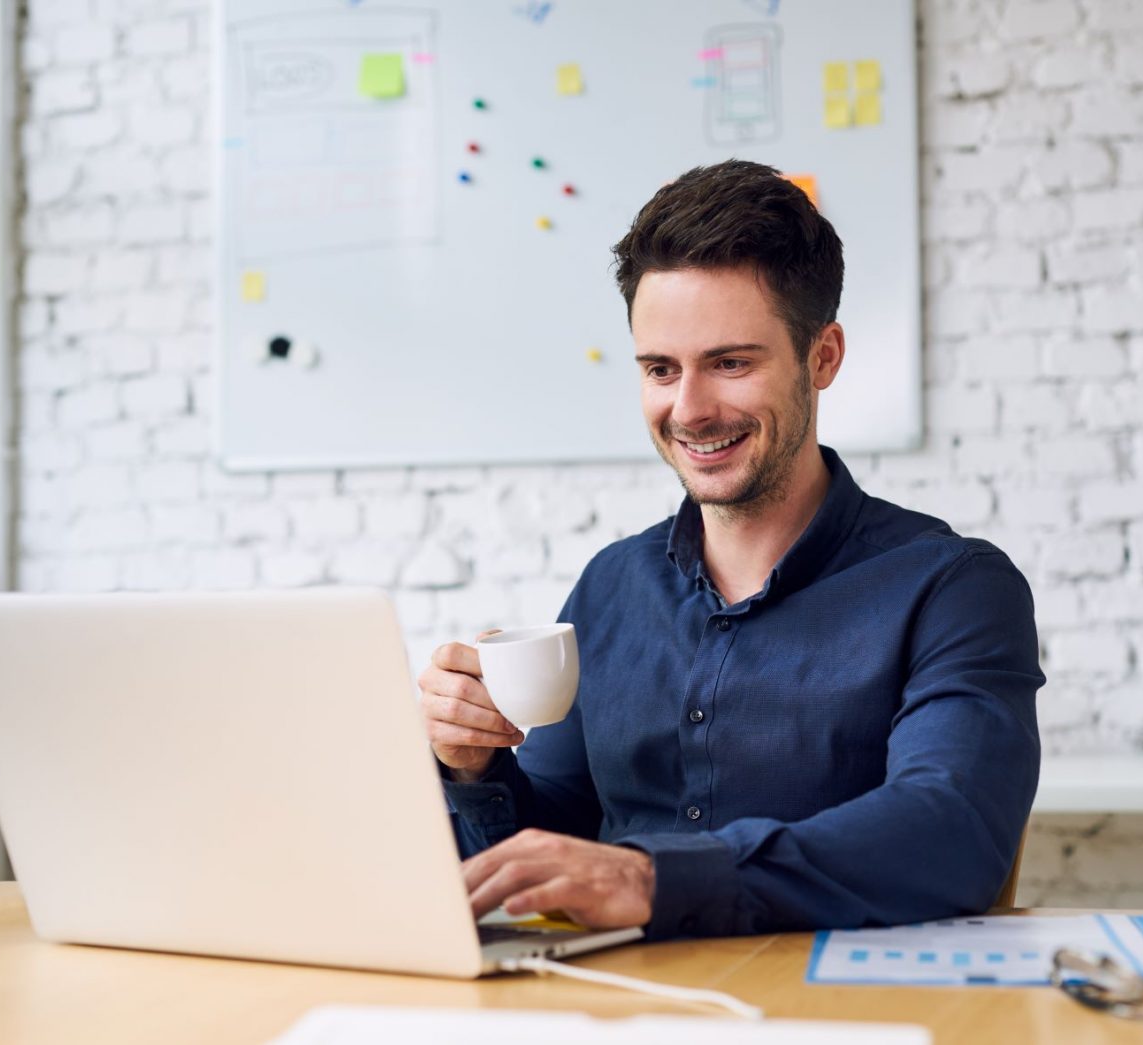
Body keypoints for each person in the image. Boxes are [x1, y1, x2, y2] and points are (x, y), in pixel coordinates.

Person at [417, 159, 1043, 940]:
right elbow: (549, 850)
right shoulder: (612, 586)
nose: (690, 409)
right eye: (660, 369)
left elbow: (951, 830)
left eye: (730, 363)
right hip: (621, 1006)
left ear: (823, 356)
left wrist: (653, 878)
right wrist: (472, 766)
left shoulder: (953, 588)